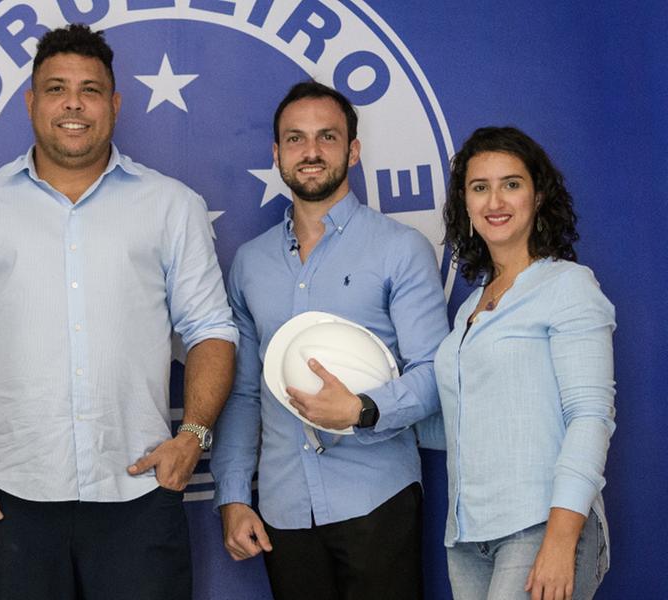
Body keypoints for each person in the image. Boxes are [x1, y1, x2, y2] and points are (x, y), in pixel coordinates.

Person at [0, 24, 237, 600]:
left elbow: (211, 331)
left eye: (90, 90)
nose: (73, 104)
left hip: (140, 487)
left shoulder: (171, 206)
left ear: (113, 105)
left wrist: (192, 436)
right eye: (56, 88)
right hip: (10, 496)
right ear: (31, 102)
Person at [210, 81, 448, 600]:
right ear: (276, 154)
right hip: (283, 506)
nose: (311, 151)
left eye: (327, 137)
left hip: (376, 497)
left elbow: (436, 374)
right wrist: (232, 494)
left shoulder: (400, 250)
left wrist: (361, 410)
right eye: (295, 139)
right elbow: (244, 391)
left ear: (353, 150)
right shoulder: (250, 263)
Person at [435, 126, 614, 599]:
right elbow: (465, 423)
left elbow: (590, 417)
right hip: (468, 538)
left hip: (541, 525)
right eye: (480, 187)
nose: (495, 200)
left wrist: (560, 538)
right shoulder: (469, 309)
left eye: (511, 184)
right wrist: (362, 410)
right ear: (466, 205)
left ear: (538, 197)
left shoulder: (568, 286)